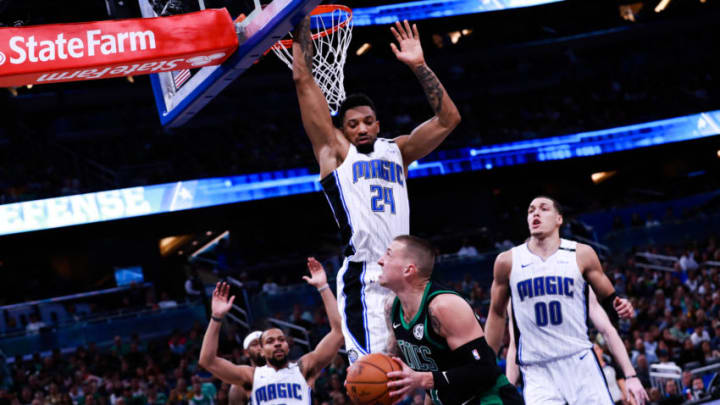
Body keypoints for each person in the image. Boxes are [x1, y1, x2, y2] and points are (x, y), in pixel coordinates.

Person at [292, 16, 461, 362]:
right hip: (367, 277)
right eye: (353, 124)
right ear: (342, 130)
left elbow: (449, 120)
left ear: (378, 123)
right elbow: (302, 78)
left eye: (368, 121)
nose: (362, 128)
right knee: (373, 379)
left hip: (408, 279)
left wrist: (420, 65)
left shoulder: (397, 151)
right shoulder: (336, 153)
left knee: (424, 378)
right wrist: (299, 20)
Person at [485, 196, 636, 405]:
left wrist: (623, 307)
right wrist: (485, 369)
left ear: (559, 219)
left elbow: (611, 302)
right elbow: (497, 314)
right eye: (530, 210)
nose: (535, 213)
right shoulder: (507, 261)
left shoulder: (581, 254)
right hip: (536, 369)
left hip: (579, 361)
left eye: (543, 209)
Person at [377, 235, 523, 404]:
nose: (381, 261)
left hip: (488, 400)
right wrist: (359, 373)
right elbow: (432, 379)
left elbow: (486, 369)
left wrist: (426, 379)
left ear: (408, 270)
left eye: (389, 254)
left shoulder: (443, 306)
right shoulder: (392, 309)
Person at [199, 258, 344, 405]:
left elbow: (338, 332)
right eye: (270, 341)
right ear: (261, 350)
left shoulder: (303, 368)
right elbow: (207, 360)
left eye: (281, 340)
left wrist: (323, 287)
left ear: (288, 346)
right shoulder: (251, 376)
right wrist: (216, 317)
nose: (277, 344)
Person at [505, 289, 648, 405]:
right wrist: (507, 391)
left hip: (580, 365)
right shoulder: (514, 285)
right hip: (539, 370)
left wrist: (631, 375)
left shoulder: (576, 266)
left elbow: (607, 329)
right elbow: (514, 346)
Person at [228, 331, 266, 405]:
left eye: (263, 343)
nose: (260, 347)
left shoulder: (285, 373)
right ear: (246, 353)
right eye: (255, 344)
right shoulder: (240, 383)